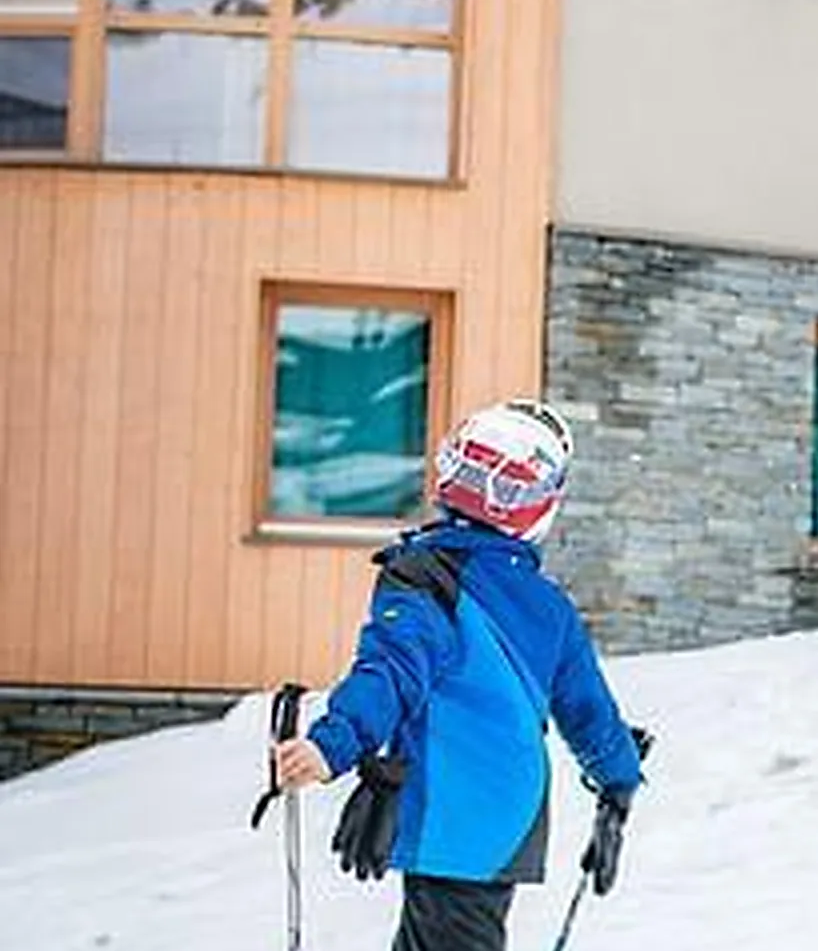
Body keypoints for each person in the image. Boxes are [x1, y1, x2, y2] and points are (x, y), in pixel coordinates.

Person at [272, 398, 645, 951]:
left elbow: (392, 670)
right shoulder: (546, 604)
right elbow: (590, 715)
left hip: (458, 815)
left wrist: (333, 745)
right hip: (508, 815)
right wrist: (619, 778)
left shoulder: (429, 580)